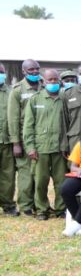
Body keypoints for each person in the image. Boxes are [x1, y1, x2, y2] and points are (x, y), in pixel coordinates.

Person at [24, 68, 68, 220]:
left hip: (59, 148)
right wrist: (30, 147)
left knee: (61, 181)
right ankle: (42, 210)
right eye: (50, 80)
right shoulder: (35, 99)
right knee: (41, 181)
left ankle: (61, 209)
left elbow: (68, 124)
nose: (53, 82)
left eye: (56, 79)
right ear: (44, 81)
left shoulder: (64, 99)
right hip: (40, 148)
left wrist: (66, 145)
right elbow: (28, 125)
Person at [8, 59, 42, 216]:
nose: (35, 72)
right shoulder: (17, 90)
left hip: (41, 138)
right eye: (31, 69)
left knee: (39, 173)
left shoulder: (44, 86)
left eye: (37, 69)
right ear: (23, 71)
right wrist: (16, 143)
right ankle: (25, 205)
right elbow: (13, 118)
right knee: (26, 174)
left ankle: (38, 203)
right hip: (24, 138)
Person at [0, 63, 19, 216]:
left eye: (1, 72)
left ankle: (8, 205)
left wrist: (15, 141)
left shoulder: (11, 92)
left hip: (7, 141)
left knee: (8, 175)